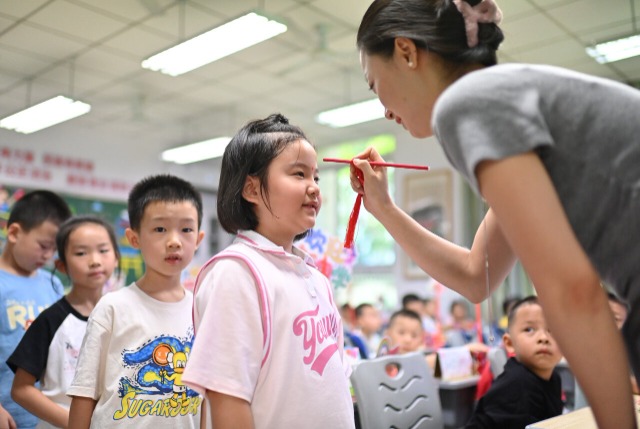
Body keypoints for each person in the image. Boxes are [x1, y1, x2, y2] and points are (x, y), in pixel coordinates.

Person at [352, 0, 640, 426]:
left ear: (406, 52)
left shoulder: (467, 103)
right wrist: (384, 209)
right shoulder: (499, 97)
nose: (384, 108)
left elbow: (572, 291)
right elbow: (475, 275)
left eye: (375, 84)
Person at [181, 113, 355, 429]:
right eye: (299, 174)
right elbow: (228, 398)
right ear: (251, 189)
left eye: (315, 177)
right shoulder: (236, 272)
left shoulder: (313, 275)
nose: (314, 188)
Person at [66, 175, 205, 429]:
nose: (174, 240)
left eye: (186, 229)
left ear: (198, 239)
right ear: (134, 239)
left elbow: (208, 400)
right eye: (160, 229)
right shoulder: (112, 308)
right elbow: (84, 394)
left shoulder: (204, 311)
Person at [8, 215, 120, 428]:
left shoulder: (122, 316)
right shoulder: (51, 319)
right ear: (61, 265)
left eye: (103, 250)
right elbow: (21, 389)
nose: (95, 260)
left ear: (116, 257)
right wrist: (75, 424)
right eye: (81, 253)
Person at [0, 190, 71, 429]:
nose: (49, 256)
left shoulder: (53, 284)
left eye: (55, 250)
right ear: (14, 233)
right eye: (43, 246)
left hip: (45, 417)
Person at [466, 296, 563, 428]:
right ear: (509, 343)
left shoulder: (554, 378)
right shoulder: (517, 383)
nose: (544, 338)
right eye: (529, 329)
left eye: (553, 330)